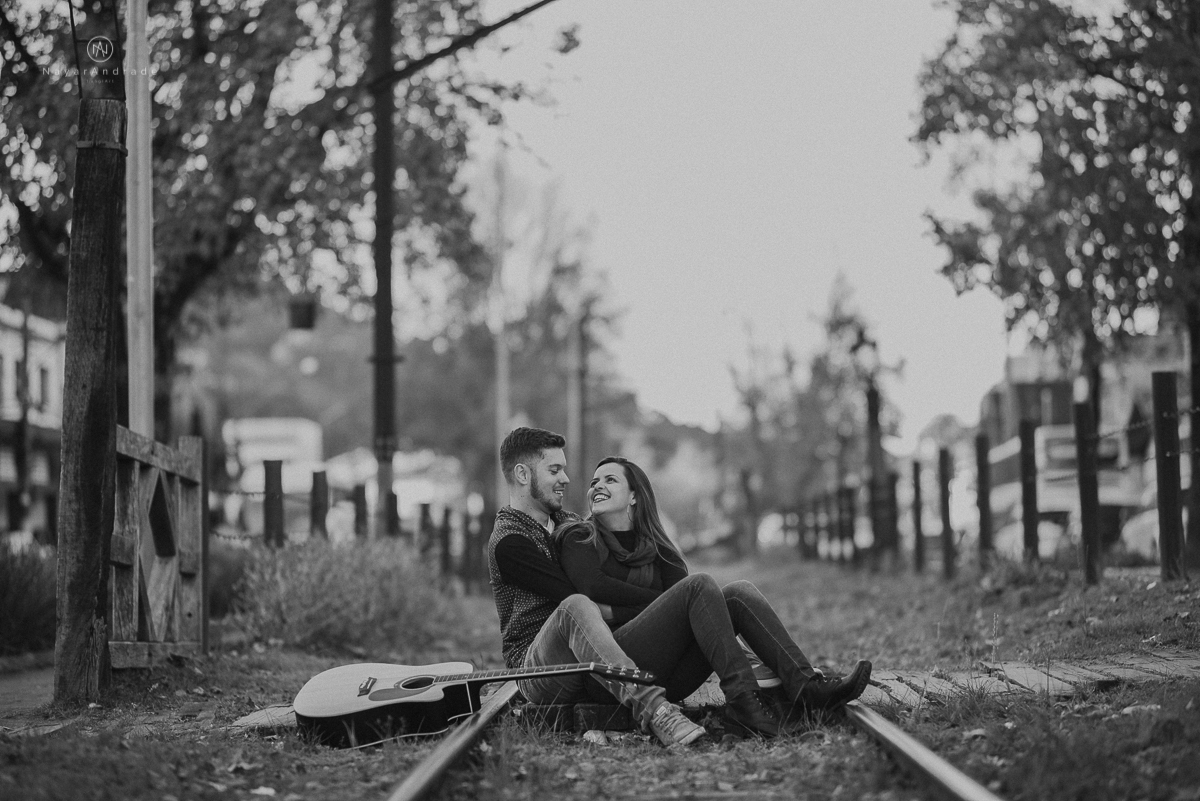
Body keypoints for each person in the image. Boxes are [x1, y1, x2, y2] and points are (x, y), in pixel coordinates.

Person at [552, 455, 873, 735]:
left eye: (610, 479)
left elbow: (681, 608)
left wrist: (620, 609)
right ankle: (745, 701)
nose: (597, 486)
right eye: (594, 482)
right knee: (699, 587)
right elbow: (594, 587)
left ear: (635, 496)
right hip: (611, 675)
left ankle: (807, 686)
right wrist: (661, 602)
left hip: (669, 677)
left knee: (737, 592)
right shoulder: (579, 537)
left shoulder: (660, 551)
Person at [486, 427, 708, 747]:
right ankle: (656, 710)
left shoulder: (569, 523)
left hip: (591, 658)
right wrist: (662, 603)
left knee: (710, 602)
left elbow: (614, 582)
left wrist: (670, 602)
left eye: (563, 469)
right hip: (540, 671)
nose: (565, 479)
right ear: (523, 474)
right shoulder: (510, 542)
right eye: (554, 470)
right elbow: (584, 597)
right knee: (576, 605)